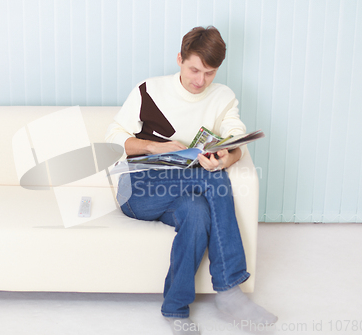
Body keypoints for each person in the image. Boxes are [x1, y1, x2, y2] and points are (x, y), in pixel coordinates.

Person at [105, 26, 277, 335]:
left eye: (209, 73)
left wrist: (228, 157)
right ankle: (229, 292)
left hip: (184, 187)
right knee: (212, 181)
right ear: (180, 59)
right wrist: (155, 147)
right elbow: (114, 138)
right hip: (139, 186)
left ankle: (175, 308)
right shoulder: (149, 89)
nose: (200, 80)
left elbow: (236, 138)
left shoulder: (223, 97)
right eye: (194, 69)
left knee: (197, 213)